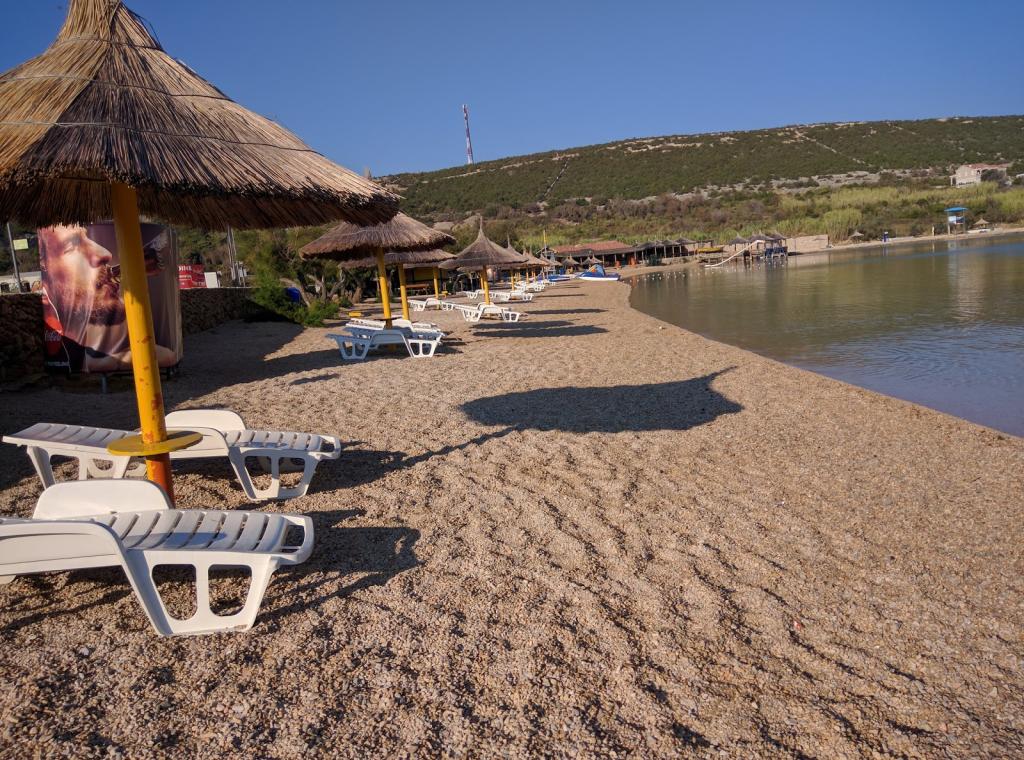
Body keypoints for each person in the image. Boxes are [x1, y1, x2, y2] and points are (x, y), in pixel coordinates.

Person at [38, 224, 177, 372]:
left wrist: (111, 362)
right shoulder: (65, 348)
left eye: (88, 238)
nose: (105, 254)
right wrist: (115, 362)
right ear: (44, 267)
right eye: (72, 245)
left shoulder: (77, 352)